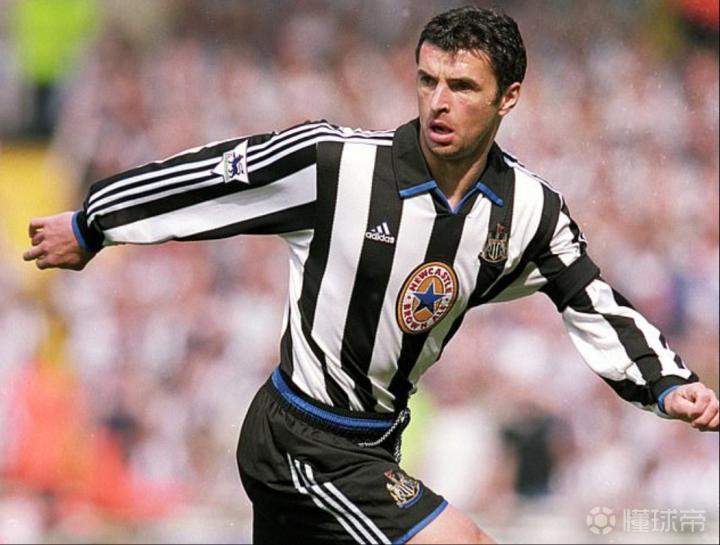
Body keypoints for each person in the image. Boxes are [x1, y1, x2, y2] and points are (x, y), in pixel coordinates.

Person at [23, 6, 718, 544]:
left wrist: (667, 384)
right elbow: (215, 175)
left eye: (462, 86)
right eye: (428, 80)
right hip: (302, 440)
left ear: (508, 98)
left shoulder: (529, 210)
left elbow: (590, 300)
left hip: (376, 441)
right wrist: (92, 223)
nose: (438, 101)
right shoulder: (338, 166)